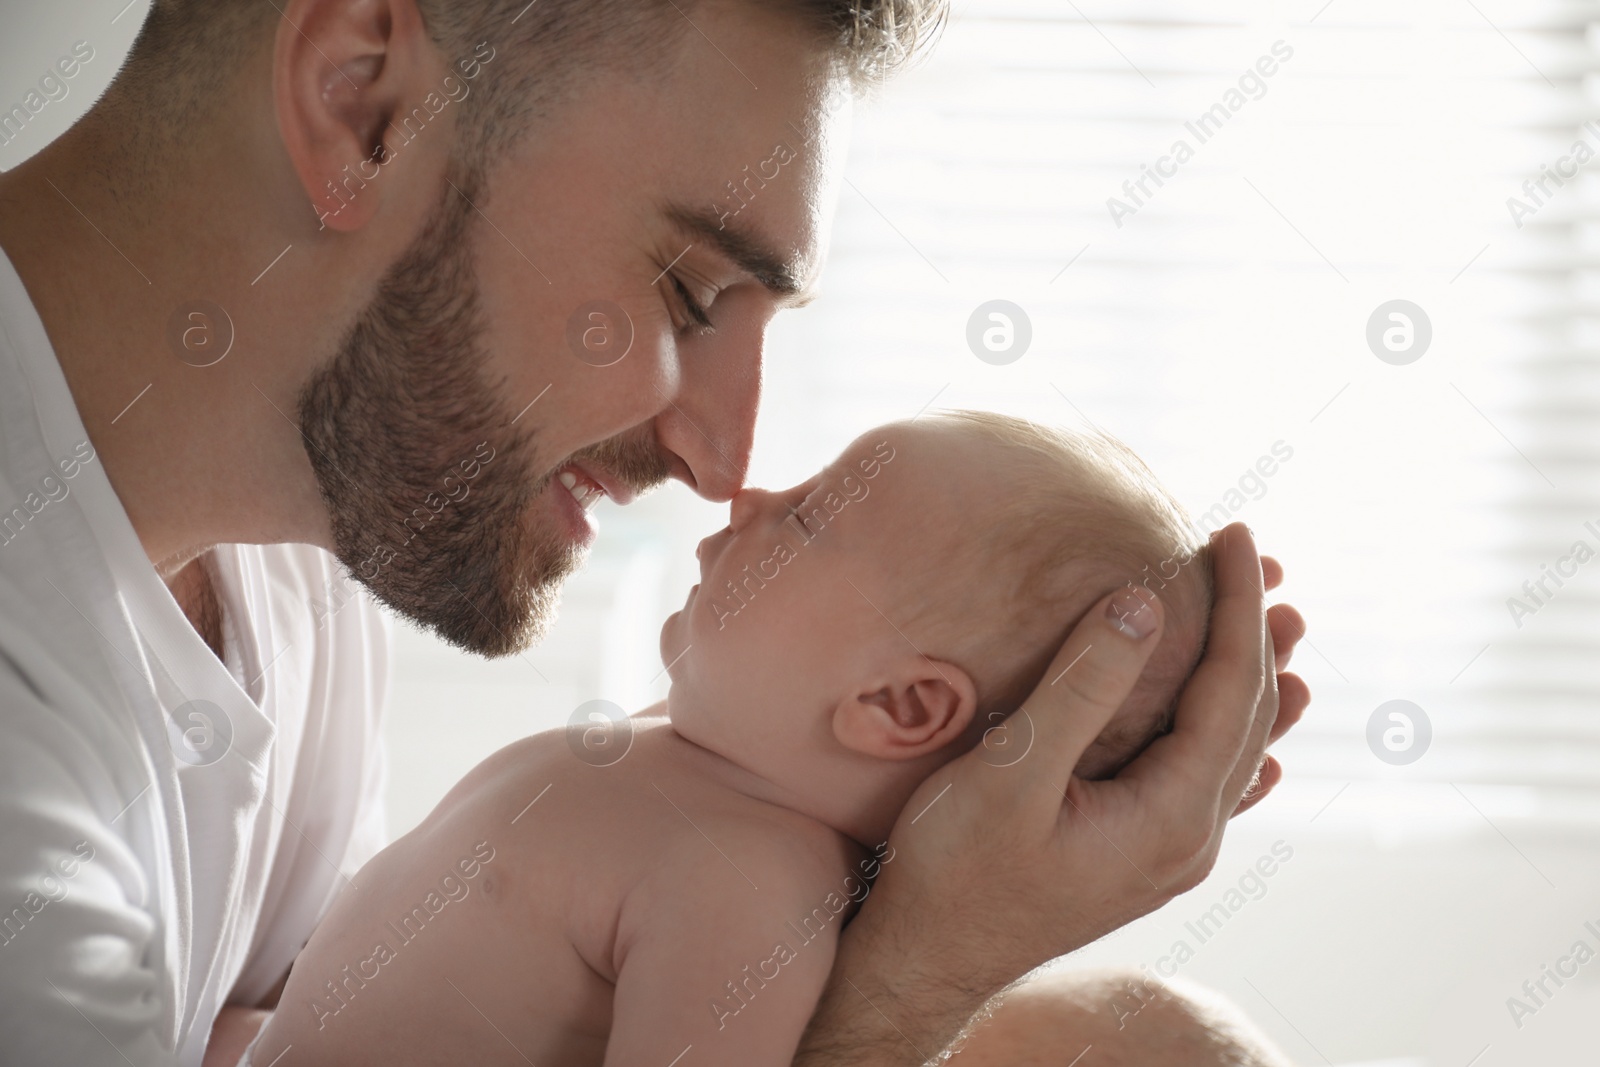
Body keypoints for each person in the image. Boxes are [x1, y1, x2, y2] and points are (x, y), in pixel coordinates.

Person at [0, 1, 1310, 1065]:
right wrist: (915, 981)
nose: (720, 461)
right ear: (364, 105)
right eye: (688, 291)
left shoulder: (296, 540)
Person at [244, 412, 1253, 1066]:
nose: (750, 495)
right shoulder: (689, 763)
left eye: (811, 516)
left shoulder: (751, 887)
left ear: (898, 706)